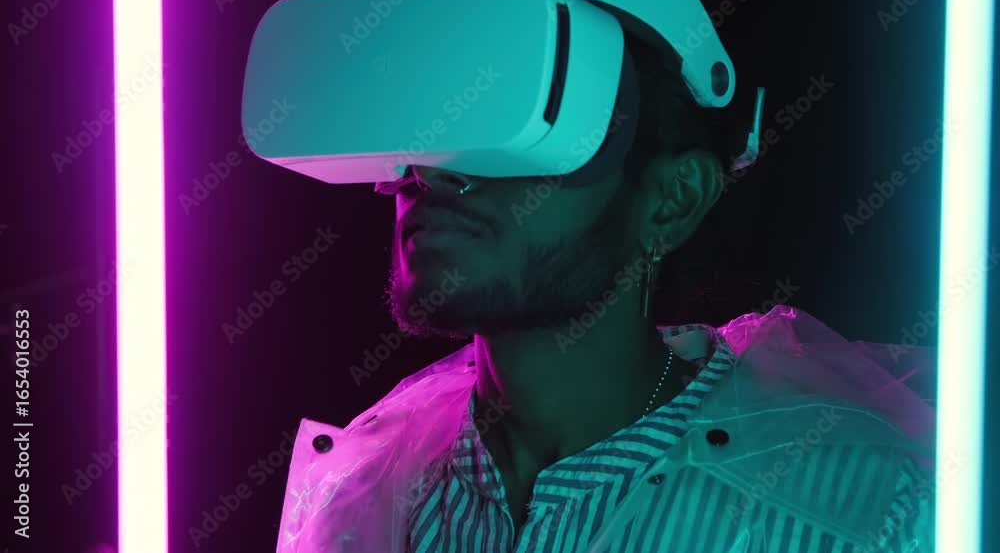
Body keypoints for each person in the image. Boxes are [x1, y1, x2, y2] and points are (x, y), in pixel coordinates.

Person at [275, 28, 936, 553]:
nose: (435, 171)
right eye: (436, 124)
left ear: (673, 200)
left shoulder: (861, 511)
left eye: (523, 126)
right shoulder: (360, 494)